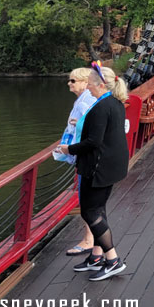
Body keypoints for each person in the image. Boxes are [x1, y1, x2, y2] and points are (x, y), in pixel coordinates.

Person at [57, 62, 130, 281]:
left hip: (98, 168)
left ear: (100, 84)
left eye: (90, 84)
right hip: (112, 165)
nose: (87, 87)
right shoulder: (115, 103)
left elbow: (93, 141)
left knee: (90, 212)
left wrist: (68, 149)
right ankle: (97, 256)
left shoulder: (100, 108)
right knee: (98, 209)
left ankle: (113, 259)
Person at [63, 68, 96, 256]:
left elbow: (92, 136)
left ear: (85, 83)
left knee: (87, 201)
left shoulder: (86, 103)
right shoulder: (85, 101)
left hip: (86, 158)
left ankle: (88, 240)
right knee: (90, 201)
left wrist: (70, 149)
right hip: (85, 157)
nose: (70, 83)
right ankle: (93, 240)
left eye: (73, 81)